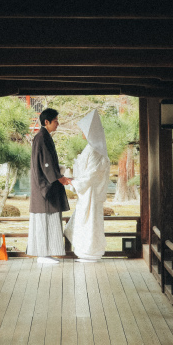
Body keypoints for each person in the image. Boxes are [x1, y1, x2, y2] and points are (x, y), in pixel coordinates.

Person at [63, 109, 110, 262]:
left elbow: (92, 174)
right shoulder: (91, 148)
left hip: (90, 193)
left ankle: (90, 252)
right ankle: (85, 251)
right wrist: (74, 180)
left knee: (90, 222)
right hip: (87, 192)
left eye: (83, 130)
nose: (81, 133)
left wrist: (74, 182)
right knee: (85, 221)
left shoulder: (95, 151)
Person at [27, 108, 71, 264]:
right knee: (44, 221)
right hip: (43, 188)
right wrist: (59, 178)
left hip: (46, 185)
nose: (58, 124)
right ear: (47, 122)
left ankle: (46, 253)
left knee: (49, 221)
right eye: (56, 121)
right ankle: (42, 255)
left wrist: (58, 176)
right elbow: (46, 165)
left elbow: (48, 164)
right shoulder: (41, 138)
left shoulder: (43, 137)